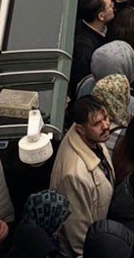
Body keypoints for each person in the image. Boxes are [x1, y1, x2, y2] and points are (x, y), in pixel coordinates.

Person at [52, 97, 117, 255]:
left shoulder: (92, 137)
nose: (106, 126)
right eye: (96, 124)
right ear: (80, 129)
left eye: (106, 118)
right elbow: (79, 234)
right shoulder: (74, 175)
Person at [6, 189, 72, 257]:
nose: (62, 224)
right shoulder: (35, 238)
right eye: (60, 220)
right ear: (48, 215)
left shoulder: (26, 224)